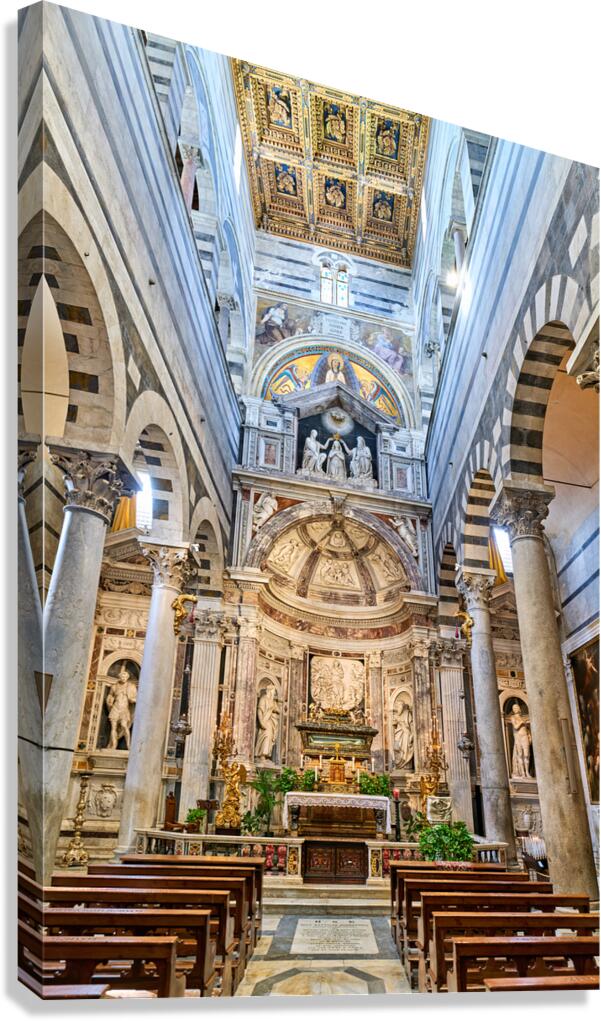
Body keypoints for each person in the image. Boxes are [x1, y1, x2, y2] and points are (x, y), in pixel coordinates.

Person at [106, 667, 137, 749]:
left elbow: (136, 698)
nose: (123, 678)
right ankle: (113, 745)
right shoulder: (114, 686)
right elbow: (110, 695)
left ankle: (128, 745)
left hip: (124, 708)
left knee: (124, 726)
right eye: (122, 677)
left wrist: (132, 700)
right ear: (119, 677)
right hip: (115, 708)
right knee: (113, 727)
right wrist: (109, 700)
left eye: (125, 677)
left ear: (127, 678)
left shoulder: (131, 686)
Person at [255, 687, 280, 759]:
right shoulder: (263, 699)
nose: (274, 693)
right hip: (265, 721)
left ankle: (266, 754)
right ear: (269, 691)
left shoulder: (273, 701)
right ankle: (262, 754)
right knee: (266, 736)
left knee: (270, 737)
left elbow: (278, 710)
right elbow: (260, 711)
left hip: (272, 722)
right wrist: (261, 722)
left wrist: (274, 709)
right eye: (273, 691)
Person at [509, 702, 532, 778]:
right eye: (514, 708)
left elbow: (527, 729)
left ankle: (527, 772)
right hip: (518, 737)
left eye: (516, 708)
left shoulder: (523, 718)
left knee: (526, 755)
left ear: (519, 709)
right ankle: (523, 773)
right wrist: (522, 722)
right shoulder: (513, 717)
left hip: (525, 737)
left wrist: (529, 736)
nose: (515, 709)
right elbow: (515, 727)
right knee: (520, 755)